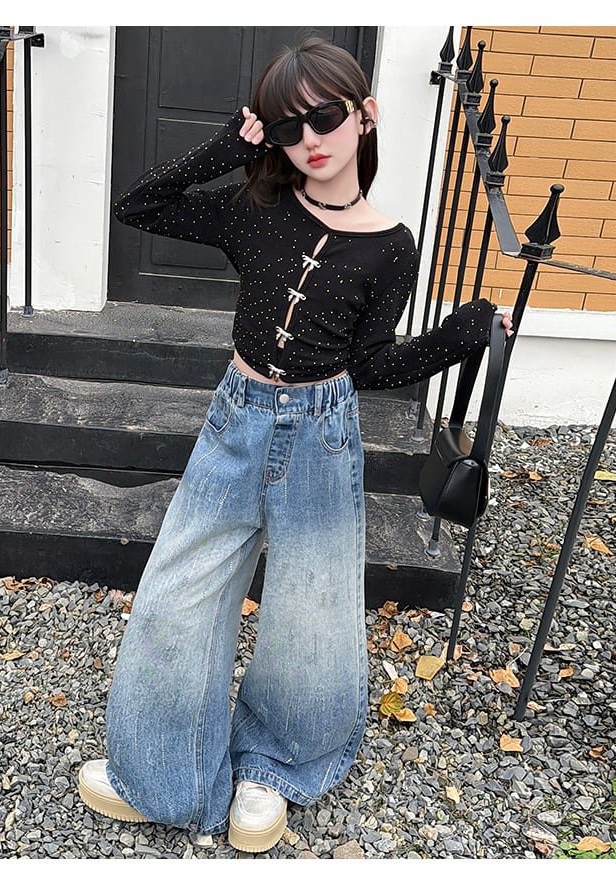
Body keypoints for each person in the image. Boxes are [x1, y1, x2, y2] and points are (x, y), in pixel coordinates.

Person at [78, 35, 513, 854]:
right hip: (235, 422)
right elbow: (139, 205)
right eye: (287, 127)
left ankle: (272, 768)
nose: (309, 139)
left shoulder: (391, 245)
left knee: (311, 614)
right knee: (177, 595)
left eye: (325, 117)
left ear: (365, 115)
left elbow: (373, 363)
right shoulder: (256, 209)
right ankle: (165, 774)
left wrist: (460, 334)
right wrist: (228, 146)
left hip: (321, 434)